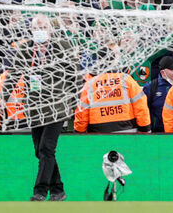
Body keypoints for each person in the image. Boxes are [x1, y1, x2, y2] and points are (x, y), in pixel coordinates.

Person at [12, 14, 78, 201]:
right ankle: (58, 190)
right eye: (35, 28)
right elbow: (13, 74)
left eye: (42, 27)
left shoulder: (63, 46)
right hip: (35, 109)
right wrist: (3, 98)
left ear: (50, 29)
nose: (39, 31)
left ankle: (39, 191)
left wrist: (73, 105)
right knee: (40, 151)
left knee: (46, 148)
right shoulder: (25, 49)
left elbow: (75, 77)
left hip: (57, 108)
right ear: (30, 30)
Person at [74, 69, 151, 133]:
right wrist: (145, 128)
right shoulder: (126, 80)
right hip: (128, 133)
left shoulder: (90, 84)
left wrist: (79, 131)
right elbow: (141, 106)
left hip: (98, 135)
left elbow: (82, 112)